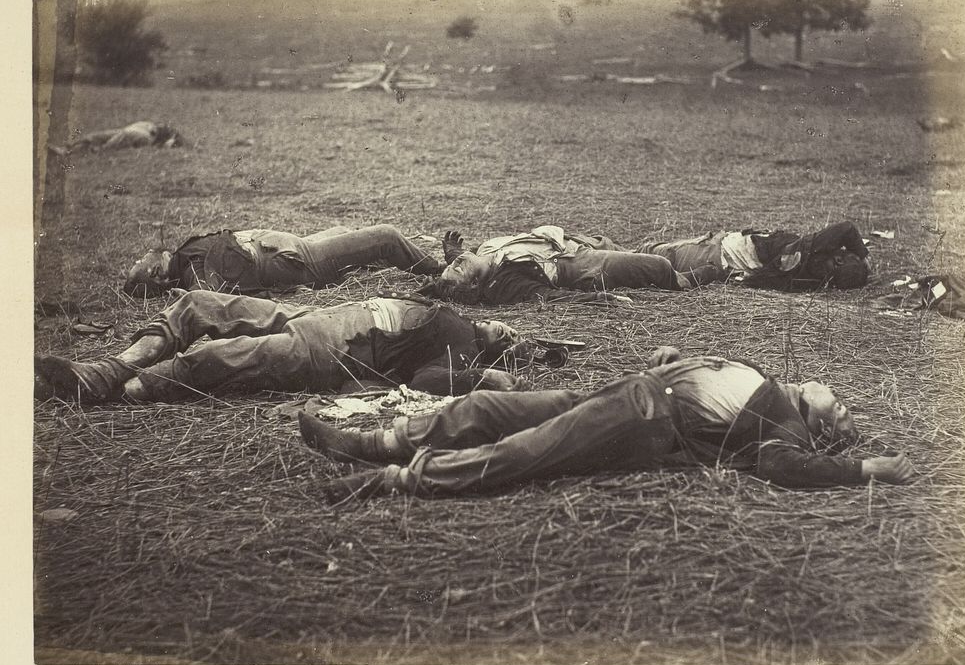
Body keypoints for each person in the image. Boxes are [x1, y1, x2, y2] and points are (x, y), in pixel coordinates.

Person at [300, 345, 916, 501]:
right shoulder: (768, 380)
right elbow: (712, 377)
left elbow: (786, 468)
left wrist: (867, 466)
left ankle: (396, 479)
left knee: (529, 449)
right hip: (632, 389)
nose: (843, 401)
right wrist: (680, 356)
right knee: (488, 407)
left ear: (822, 424)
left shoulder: (788, 427)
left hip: (645, 418)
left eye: (844, 412)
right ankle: (370, 442)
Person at [34, 291, 524, 405]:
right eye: (511, 329)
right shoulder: (454, 315)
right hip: (320, 319)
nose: (508, 332)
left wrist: (485, 377)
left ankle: (111, 387)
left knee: (219, 359)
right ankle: (115, 363)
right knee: (200, 303)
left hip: (328, 350)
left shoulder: (465, 350)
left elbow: (426, 383)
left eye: (510, 341)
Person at [419, 226, 718, 305]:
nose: (457, 262)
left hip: (571, 241)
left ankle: (698, 251)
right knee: (657, 265)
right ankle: (688, 279)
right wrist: (601, 299)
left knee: (642, 248)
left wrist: (453, 255)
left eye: (454, 262)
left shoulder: (483, 250)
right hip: (579, 263)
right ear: (474, 284)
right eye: (458, 269)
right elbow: (552, 297)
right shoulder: (504, 284)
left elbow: (460, 262)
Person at [124, 224, 444, 297]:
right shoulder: (191, 270)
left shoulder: (185, 258)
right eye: (140, 261)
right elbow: (208, 298)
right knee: (386, 236)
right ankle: (442, 272)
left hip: (291, 248)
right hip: (295, 259)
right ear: (156, 272)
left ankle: (392, 262)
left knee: (346, 232)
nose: (143, 254)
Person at [635, 220, 871, 291]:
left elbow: (847, 229)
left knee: (648, 255)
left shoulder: (805, 255)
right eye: (832, 275)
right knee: (649, 254)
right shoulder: (807, 262)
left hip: (711, 254)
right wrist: (863, 259)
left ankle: (603, 249)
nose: (826, 278)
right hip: (716, 251)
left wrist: (861, 258)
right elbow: (847, 229)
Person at [50, 120, 185, 155]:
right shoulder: (150, 126)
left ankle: (69, 151)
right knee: (94, 137)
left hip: (133, 134)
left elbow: (164, 141)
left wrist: (169, 139)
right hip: (129, 131)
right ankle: (68, 149)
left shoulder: (150, 136)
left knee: (101, 144)